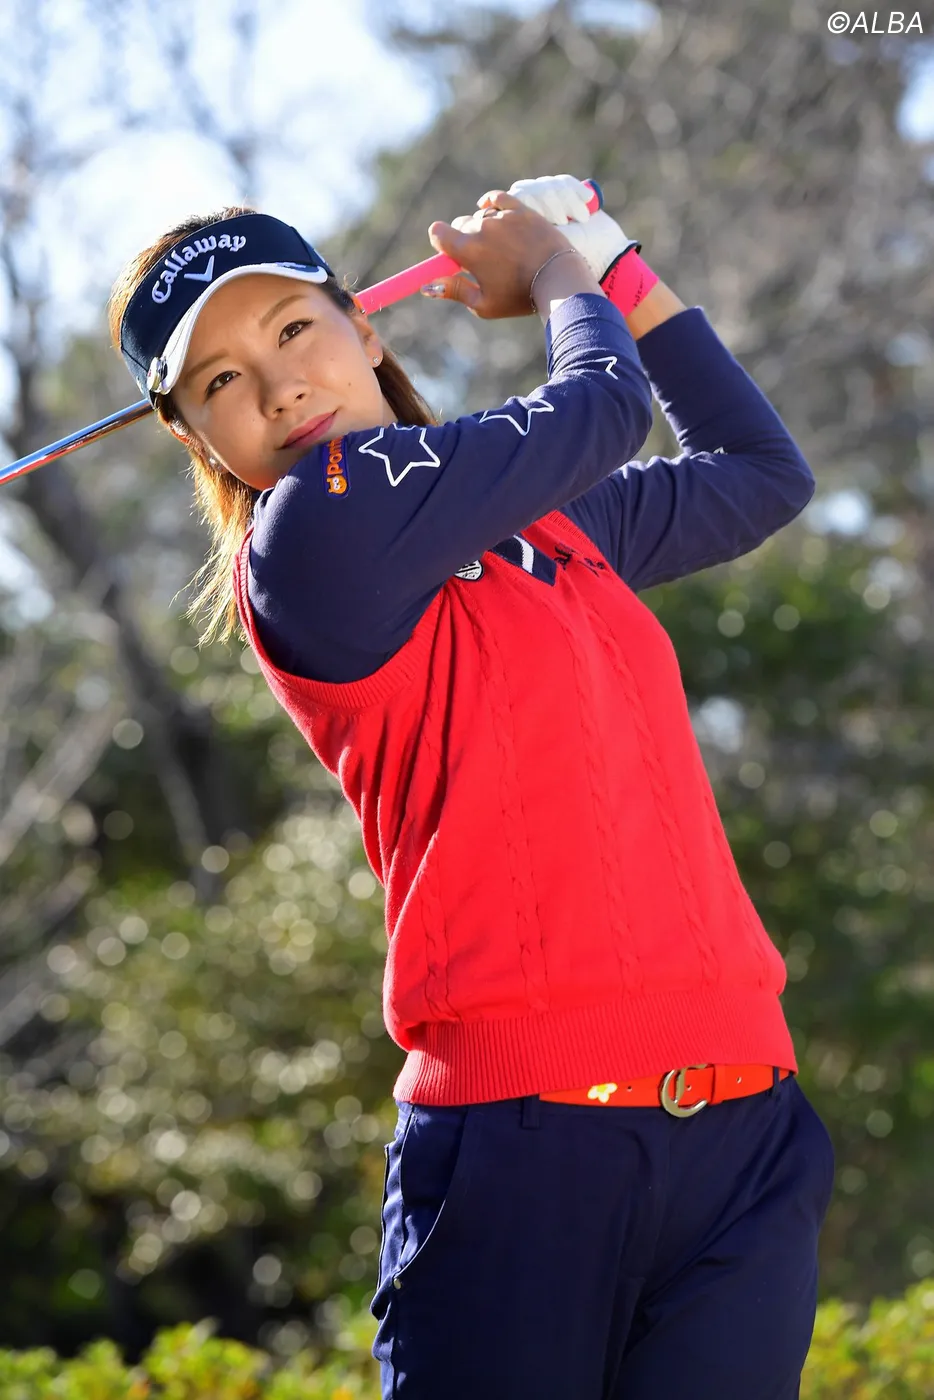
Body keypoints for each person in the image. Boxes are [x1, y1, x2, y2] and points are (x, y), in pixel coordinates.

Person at [109, 176, 834, 1400]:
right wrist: (558, 272)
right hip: (526, 1145)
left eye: (294, 328)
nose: (279, 386)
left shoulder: (551, 525)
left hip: (744, 1125)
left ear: (364, 327)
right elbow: (603, 406)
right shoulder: (311, 528)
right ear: (194, 438)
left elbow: (761, 473)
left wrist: (618, 269)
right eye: (222, 378)